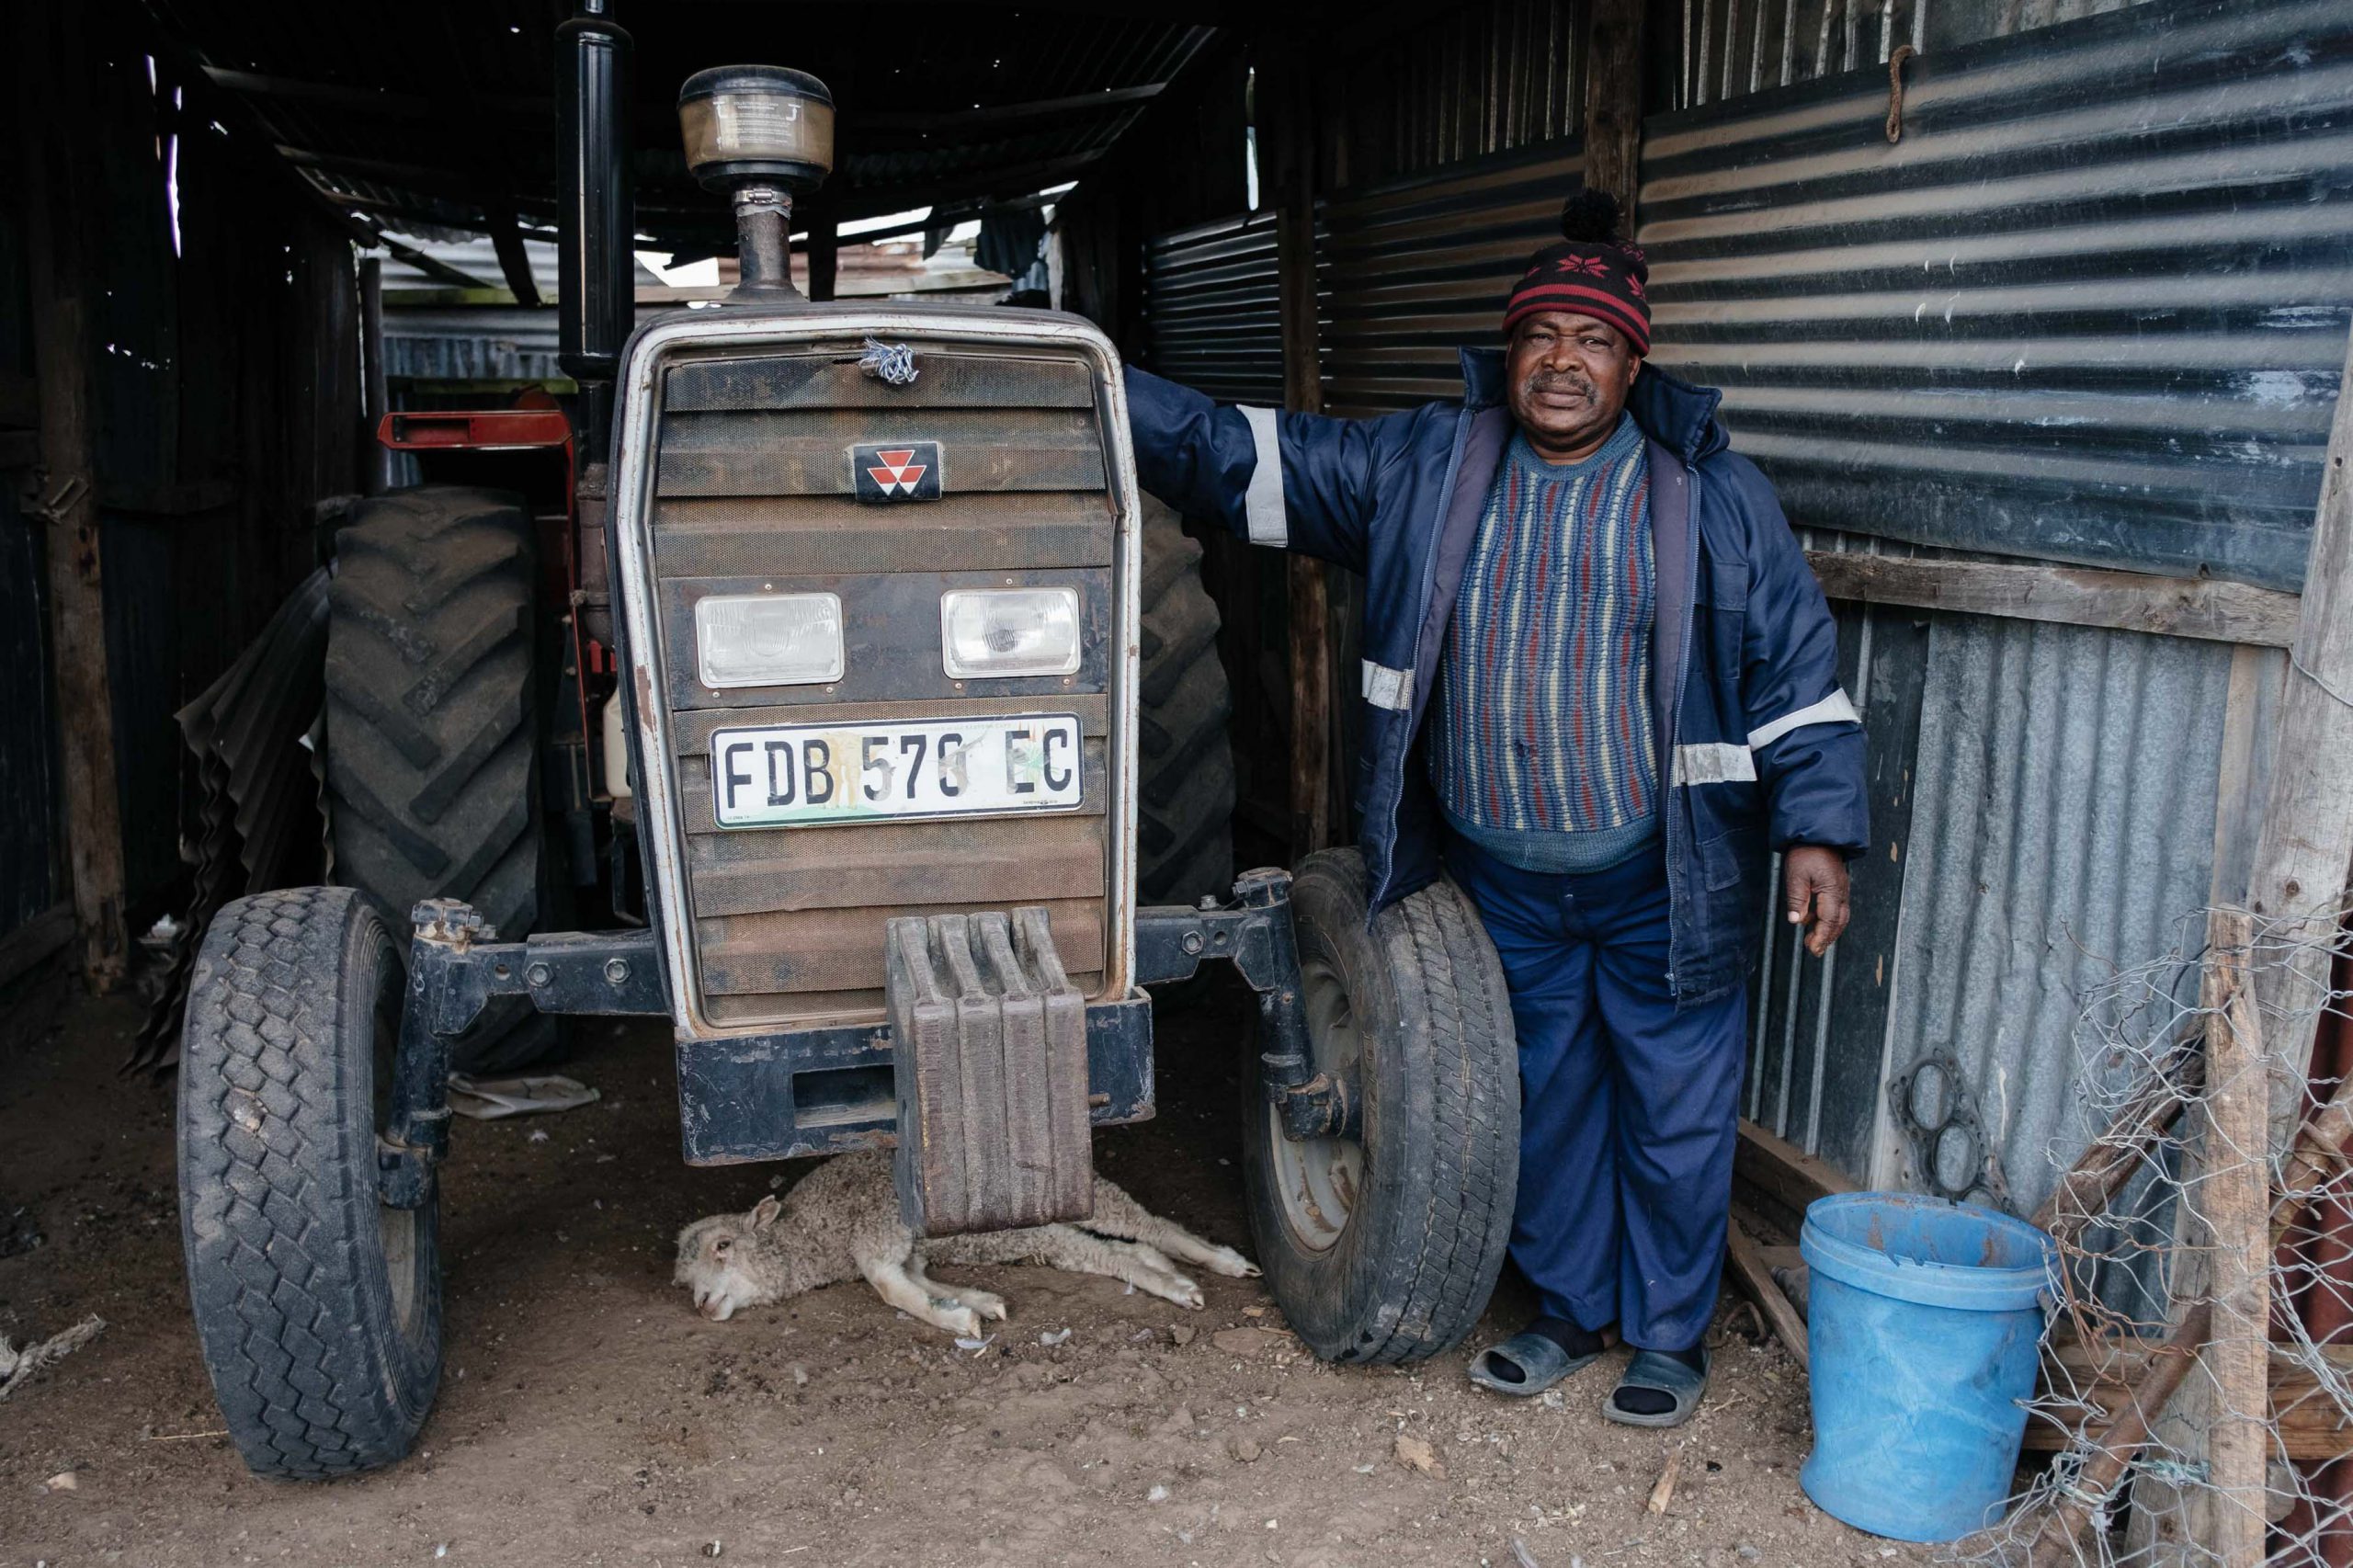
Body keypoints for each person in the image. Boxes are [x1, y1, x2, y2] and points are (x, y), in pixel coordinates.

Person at [1120, 190, 1868, 1427]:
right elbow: (1236, 455)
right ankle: (1573, 1310)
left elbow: (1797, 676)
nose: (1562, 360)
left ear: (1634, 363)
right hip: (1501, 882)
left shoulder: (1710, 497)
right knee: (1546, 1096)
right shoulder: (1425, 467)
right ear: (1509, 354)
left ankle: (1670, 1337)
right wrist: (1092, 380)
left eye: (1592, 340)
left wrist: (1821, 828)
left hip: (1661, 877)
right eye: (1539, 336)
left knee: (1676, 1114)